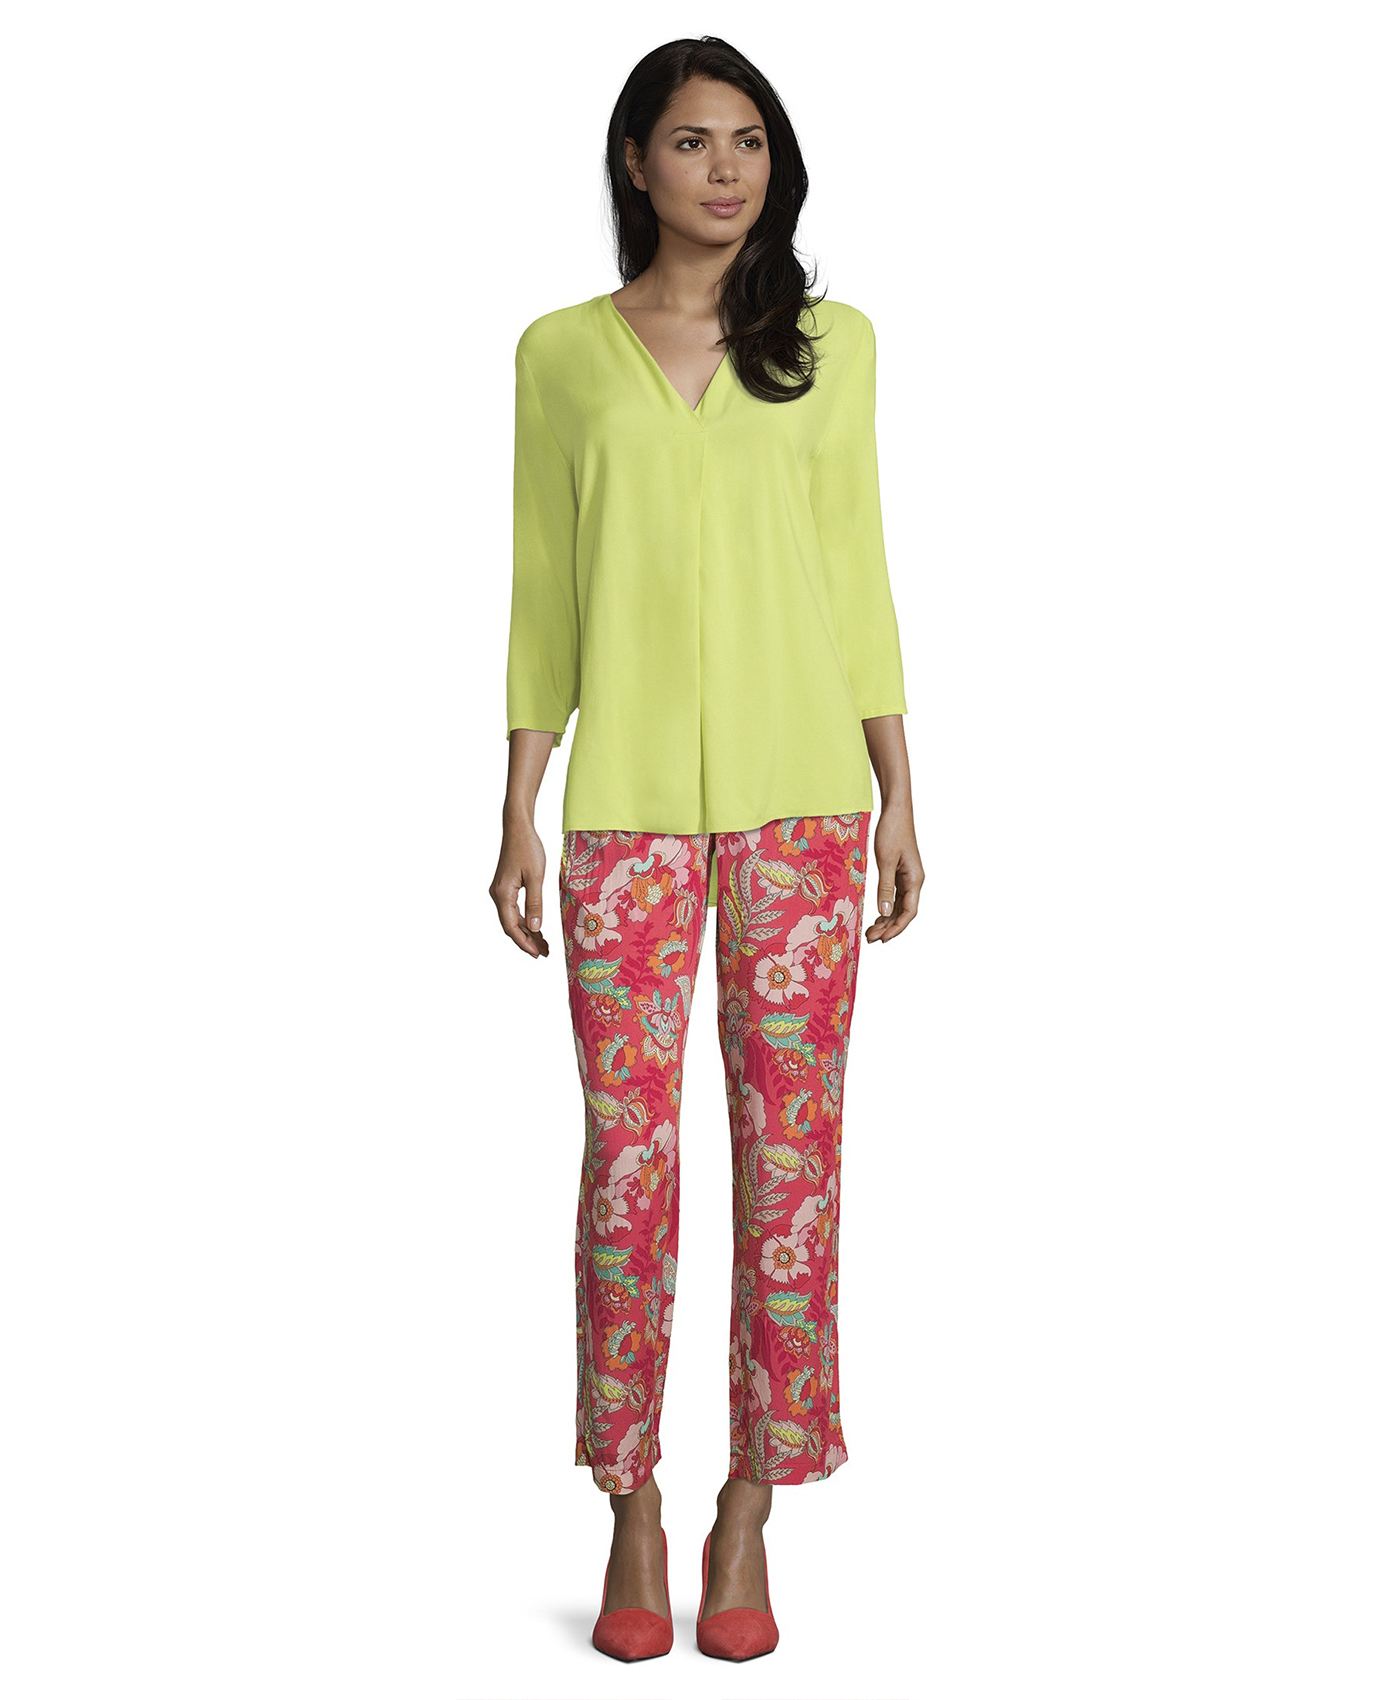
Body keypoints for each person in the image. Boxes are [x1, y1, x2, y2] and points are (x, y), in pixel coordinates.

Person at [491, 36, 924, 1664]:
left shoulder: (831, 347)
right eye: (692, 141)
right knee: (630, 1160)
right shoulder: (560, 355)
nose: (727, 169)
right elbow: (544, 585)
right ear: (636, 162)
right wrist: (519, 800)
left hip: (806, 804)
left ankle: (751, 1502)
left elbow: (856, 566)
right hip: (624, 816)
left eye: (750, 140)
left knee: (791, 1160)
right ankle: (632, 1497)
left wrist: (900, 789)